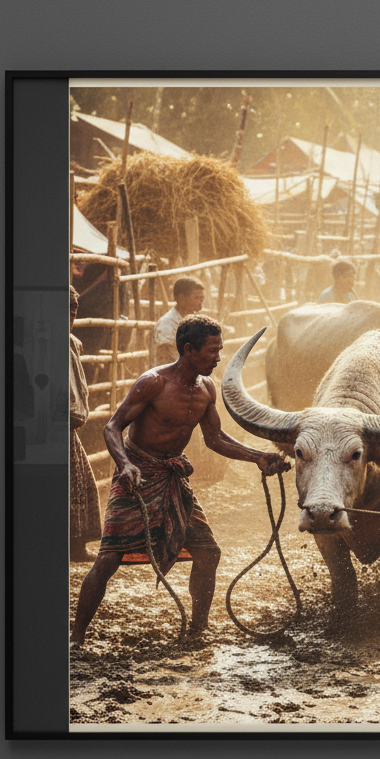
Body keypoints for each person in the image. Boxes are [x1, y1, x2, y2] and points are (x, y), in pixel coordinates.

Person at [70, 315, 288, 648]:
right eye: (212, 351)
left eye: (220, 351)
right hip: (137, 475)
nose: (218, 358)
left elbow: (215, 438)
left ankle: (197, 631)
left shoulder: (206, 388)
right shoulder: (153, 382)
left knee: (209, 552)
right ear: (189, 349)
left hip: (172, 477)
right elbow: (112, 427)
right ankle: (76, 637)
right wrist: (125, 465)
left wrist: (258, 456)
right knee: (108, 558)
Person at [69, 286, 101, 561]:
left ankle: (77, 546)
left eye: (74, 309)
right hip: (53, 423)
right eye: (66, 308)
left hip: (70, 424)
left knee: (81, 485)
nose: (71, 314)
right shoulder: (38, 340)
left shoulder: (72, 343)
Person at [153, 277, 204, 367]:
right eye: (196, 298)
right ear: (181, 298)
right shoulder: (168, 324)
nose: (200, 302)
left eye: (201, 298)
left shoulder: (195, 321)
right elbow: (165, 358)